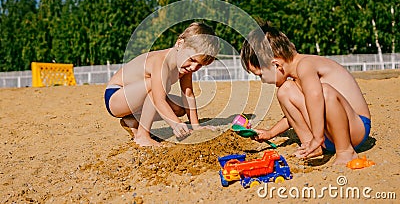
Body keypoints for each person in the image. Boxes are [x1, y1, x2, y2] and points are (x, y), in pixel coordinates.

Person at [240, 24, 371, 164]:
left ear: (276, 65)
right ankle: (311, 146)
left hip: (355, 129)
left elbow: (316, 97)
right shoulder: (294, 77)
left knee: (324, 92)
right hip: (330, 136)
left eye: (261, 75)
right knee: (285, 91)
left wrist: (318, 136)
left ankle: (345, 151)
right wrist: (270, 133)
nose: (263, 80)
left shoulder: (306, 65)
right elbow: (303, 111)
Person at [104, 22, 219, 147]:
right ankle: (142, 136)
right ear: (179, 44)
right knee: (157, 88)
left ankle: (132, 120)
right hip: (116, 96)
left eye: (200, 65)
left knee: (180, 108)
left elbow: (188, 93)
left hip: (135, 101)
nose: (193, 67)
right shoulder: (161, 62)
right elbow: (159, 100)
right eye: (192, 60)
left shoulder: (185, 67)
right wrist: (176, 123)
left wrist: (195, 126)